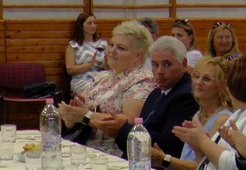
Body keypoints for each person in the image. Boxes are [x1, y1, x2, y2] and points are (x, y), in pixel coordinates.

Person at [57, 20, 156, 157]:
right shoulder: (103, 77)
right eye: (111, 45)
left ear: (138, 56)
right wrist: (71, 114)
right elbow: (78, 115)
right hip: (85, 147)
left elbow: (130, 121)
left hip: (115, 154)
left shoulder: (143, 80)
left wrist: (85, 116)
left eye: (121, 48)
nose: (112, 51)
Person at [92, 36, 198, 160]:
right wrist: (118, 130)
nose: (160, 71)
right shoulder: (156, 93)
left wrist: (121, 129)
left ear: (184, 64)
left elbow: (167, 144)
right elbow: (140, 133)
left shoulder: (186, 96)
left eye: (167, 64)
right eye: (155, 64)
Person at [155, 56, 232, 170]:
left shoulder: (222, 119)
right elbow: (188, 162)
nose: (198, 82)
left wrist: (165, 159)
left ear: (221, 85)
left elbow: (205, 168)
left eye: (206, 79)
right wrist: (162, 162)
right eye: (196, 76)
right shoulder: (198, 114)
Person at [66, 12, 108, 95]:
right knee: (95, 92)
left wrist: (107, 64)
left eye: (94, 23)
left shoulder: (103, 44)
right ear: (81, 26)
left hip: (101, 77)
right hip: (82, 79)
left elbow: (109, 66)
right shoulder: (74, 45)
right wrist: (88, 65)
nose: (93, 26)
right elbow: (70, 69)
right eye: (89, 23)